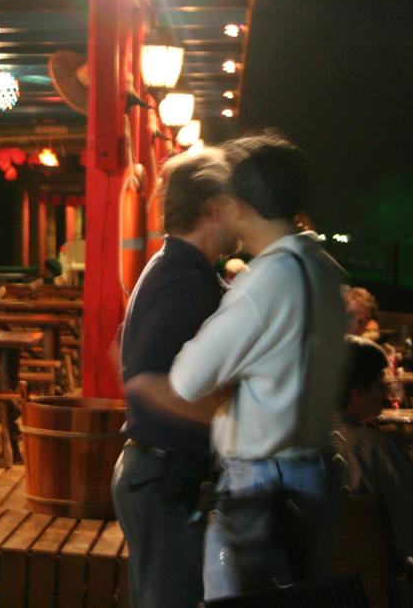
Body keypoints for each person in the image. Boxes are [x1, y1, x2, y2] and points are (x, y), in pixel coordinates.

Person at [135, 131, 350, 600]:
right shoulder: (324, 269)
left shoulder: (265, 281)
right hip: (316, 473)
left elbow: (187, 378)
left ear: (236, 205)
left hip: (264, 488)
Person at [111, 149, 238, 608]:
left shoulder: (173, 266)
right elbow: (144, 377)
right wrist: (235, 423)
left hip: (156, 472)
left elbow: (120, 349)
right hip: (165, 478)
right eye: (236, 204)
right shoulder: (187, 280)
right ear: (212, 210)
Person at [332, 336, 413, 605]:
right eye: (380, 385)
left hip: (309, 594)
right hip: (380, 594)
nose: (386, 394)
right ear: (357, 393)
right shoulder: (377, 450)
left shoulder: (288, 446)